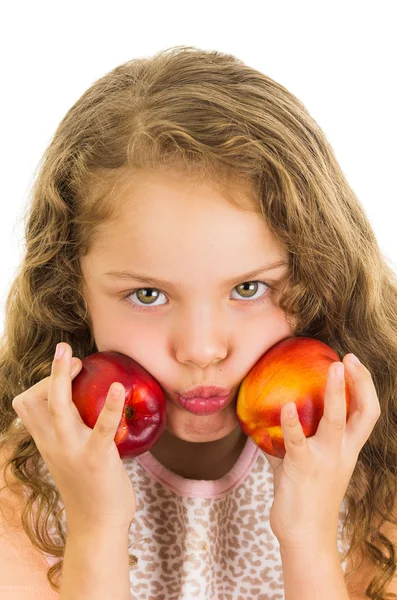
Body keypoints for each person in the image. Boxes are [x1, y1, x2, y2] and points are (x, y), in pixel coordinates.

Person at [0, 45, 395, 600]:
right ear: (71, 288)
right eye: (147, 293)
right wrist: (96, 530)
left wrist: (306, 536)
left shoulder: (376, 479)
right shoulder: (20, 493)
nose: (202, 349)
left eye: (249, 288)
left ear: (319, 276)